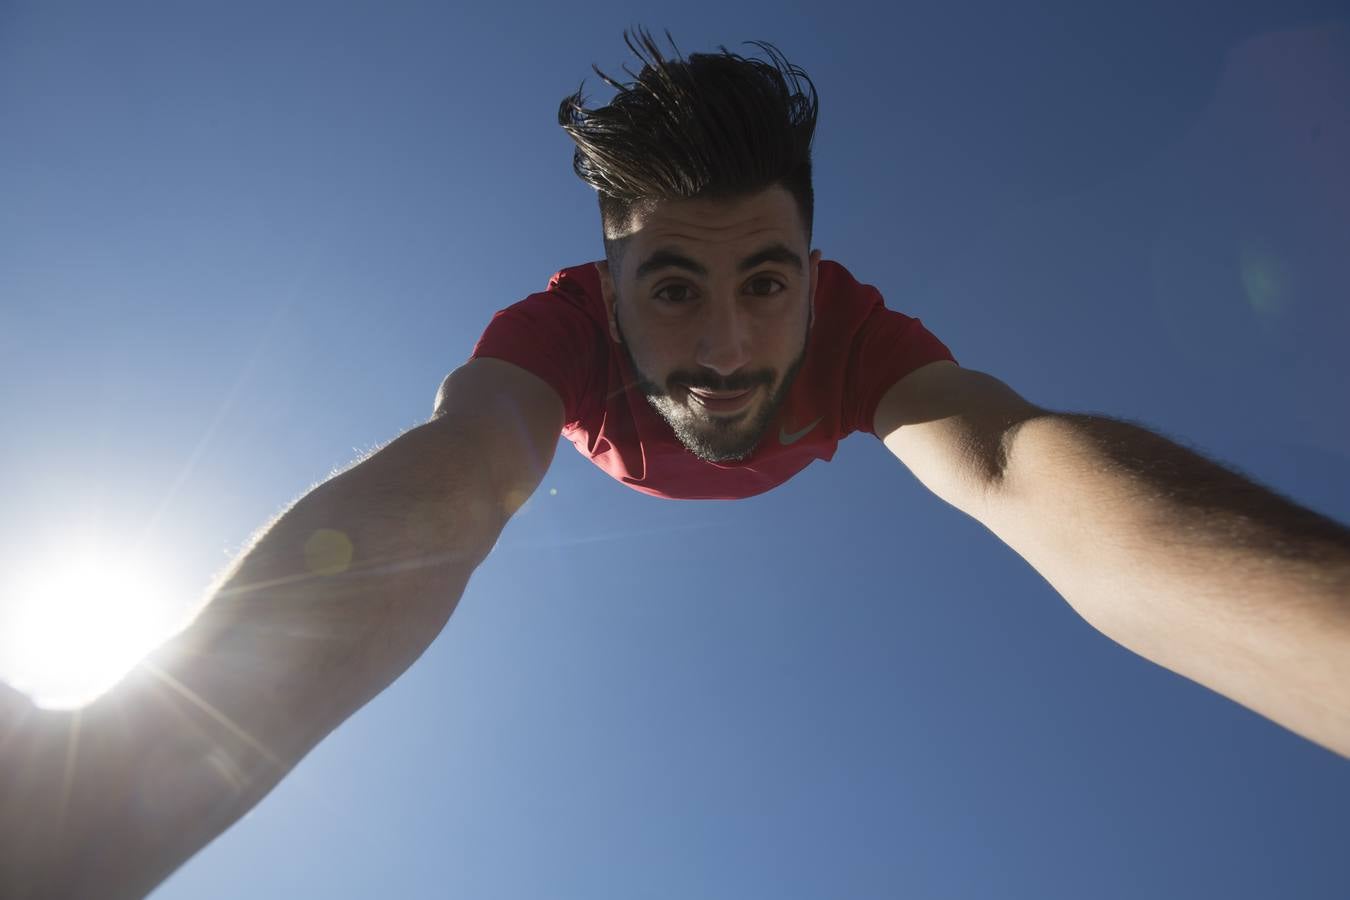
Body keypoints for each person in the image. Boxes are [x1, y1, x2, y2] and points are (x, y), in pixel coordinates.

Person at [3, 27, 1348, 899]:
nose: (722, 343)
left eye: (764, 282)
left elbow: (1016, 470)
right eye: (671, 287)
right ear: (608, 281)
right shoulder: (553, 335)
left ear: (812, 273)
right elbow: (456, 481)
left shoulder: (860, 339)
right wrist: (115, 786)